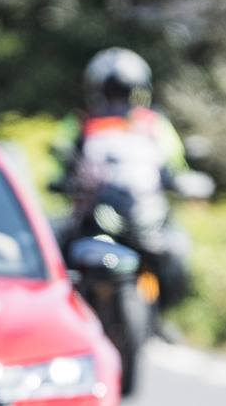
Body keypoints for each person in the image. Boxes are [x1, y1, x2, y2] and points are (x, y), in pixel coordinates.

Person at [53, 48, 191, 307]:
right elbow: (62, 159)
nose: (117, 99)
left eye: (122, 91)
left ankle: (163, 313)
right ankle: (63, 309)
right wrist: (63, 181)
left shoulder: (154, 124)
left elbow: (175, 163)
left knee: (177, 249)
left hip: (144, 212)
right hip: (95, 215)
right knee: (55, 247)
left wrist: (179, 180)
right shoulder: (82, 122)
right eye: (112, 91)